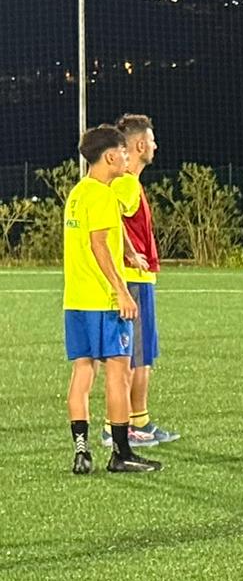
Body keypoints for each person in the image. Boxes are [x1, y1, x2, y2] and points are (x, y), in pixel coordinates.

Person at [62, 124, 160, 473]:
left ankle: (81, 450)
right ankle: (121, 453)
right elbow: (99, 245)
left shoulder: (79, 193)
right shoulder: (104, 195)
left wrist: (130, 252)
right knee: (119, 373)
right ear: (109, 157)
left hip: (76, 300)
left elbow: (103, 234)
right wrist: (121, 291)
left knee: (82, 371)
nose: (126, 158)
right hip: (104, 302)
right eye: (121, 152)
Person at [106, 112, 179, 449]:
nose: (155, 145)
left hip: (135, 278)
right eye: (151, 140)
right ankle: (119, 427)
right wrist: (130, 251)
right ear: (138, 145)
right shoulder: (126, 183)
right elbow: (108, 219)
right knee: (136, 356)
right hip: (133, 278)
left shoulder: (127, 182)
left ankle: (138, 422)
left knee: (138, 355)